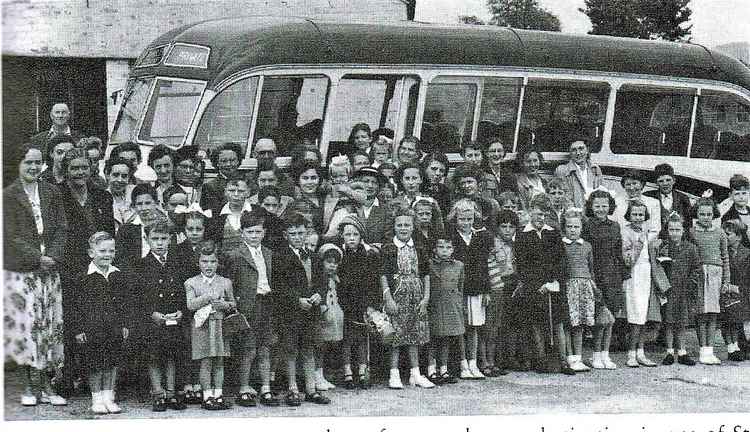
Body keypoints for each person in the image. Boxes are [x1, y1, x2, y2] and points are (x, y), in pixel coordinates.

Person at [3, 143, 68, 407]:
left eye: (37, 162)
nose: (33, 167)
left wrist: (52, 256)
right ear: (19, 164)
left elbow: (62, 227)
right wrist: (36, 258)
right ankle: (30, 386)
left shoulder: (51, 192)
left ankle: (49, 385)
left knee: (51, 327)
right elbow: (10, 235)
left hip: (49, 271)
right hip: (24, 272)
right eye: (28, 162)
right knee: (28, 328)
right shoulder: (8, 196)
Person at [273, 213, 331, 405]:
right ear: (285, 235)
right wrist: (296, 300)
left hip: (310, 312)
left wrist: (318, 294)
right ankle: (292, 388)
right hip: (290, 312)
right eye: (293, 234)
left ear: (306, 233)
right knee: (290, 350)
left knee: (308, 349)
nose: (297, 237)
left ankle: (311, 389)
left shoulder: (313, 257)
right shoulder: (280, 258)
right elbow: (279, 286)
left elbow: (322, 281)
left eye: (300, 233)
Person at [224, 210, 279, 407]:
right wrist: (234, 307)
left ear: (264, 232)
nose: (254, 236)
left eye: (258, 232)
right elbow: (229, 283)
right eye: (250, 232)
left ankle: (265, 388)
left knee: (265, 348)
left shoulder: (269, 253)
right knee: (248, 350)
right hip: (248, 306)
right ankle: (244, 388)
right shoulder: (235, 255)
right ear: (242, 233)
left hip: (266, 303)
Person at [514, 194, 574, 375]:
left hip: (553, 285)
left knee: (557, 324)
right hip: (534, 287)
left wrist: (553, 281)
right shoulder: (523, 234)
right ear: (530, 211)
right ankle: (540, 360)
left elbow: (561, 260)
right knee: (537, 324)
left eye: (544, 214)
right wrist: (536, 284)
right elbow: (523, 265)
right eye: (538, 213)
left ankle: (564, 361)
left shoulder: (553, 233)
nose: (541, 218)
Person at [72, 232, 129, 414]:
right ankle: (96, 399)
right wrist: (79, 329)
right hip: (92, 329)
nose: (107, 254)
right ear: (91, 252)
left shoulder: (118, 275)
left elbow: (124, 303)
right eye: (102, 250)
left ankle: (108, 397)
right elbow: (75, 306)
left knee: (112, 362)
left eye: (111, 251)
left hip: (114, 327)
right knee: (95, 363)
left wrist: (125, 324)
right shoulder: (83, 277)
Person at [136, 221, 188, 411]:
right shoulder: (141, 265)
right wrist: (151, 313)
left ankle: (171, 393)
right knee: (154, 356)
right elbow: (138, 296)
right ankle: (158, 393)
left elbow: (184, 291)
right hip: (154, 319)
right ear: (147, 239)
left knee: (172, 355)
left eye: (163, 239)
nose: (159, 243)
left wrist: (182, 311)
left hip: (174, 316)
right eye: (155, 239)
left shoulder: (177, 263)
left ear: (170, 240)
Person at [380, 208, 434, 389]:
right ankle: (393, 374)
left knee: (415, 334)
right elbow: (383, 274)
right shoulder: (388, 247)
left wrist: (425, 298)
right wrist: (388, 298)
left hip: (416, 294)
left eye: (407, 225)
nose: (403, 228)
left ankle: (415, 374)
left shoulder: (419, 247)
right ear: (394, 227)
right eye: (400, 225)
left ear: (413, 226)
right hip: (397, 294)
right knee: (396, 335)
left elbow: (426, 274)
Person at [185, 241, 234, 410]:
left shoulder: (225, 282)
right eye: (205, 261)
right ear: (198, 262)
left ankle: (218, 395)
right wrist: (207, 297)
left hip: (220, 325)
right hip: (202, 326)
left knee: (219, 361)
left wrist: (225, 305)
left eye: (212, 261)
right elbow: (190, 305)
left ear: (218, 262)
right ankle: (207, 396)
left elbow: (233, 303)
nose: (209, 265)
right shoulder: (191, 282)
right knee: (205, 362)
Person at [449, 199, 493, 379]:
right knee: (460, 328)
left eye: (469, 219)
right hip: (458, 290)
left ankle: (473, 363)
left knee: (474, 327)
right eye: (462, 219)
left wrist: (487, 291)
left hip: (477, 289)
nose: (466, 223)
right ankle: (462, 364)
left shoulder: (480, 237)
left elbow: (484, 265)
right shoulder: (451, 238)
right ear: (455, 219)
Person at [336, 215, 381, 389]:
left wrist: (371, 305)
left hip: (363, 301)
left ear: (361, 236)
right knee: (347, 339)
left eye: (355, 234)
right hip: (345, 302)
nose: (352, 238)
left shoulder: (369, 255)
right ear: (343, 237)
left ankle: (362, 370)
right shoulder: (340, 255)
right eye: (348, 235)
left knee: (363, 337)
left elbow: (373, 281)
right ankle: (348, 372)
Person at [582, 188, 624, 369]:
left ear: (610, 206)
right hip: (596, 274)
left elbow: (618, 252)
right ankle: (595, 355)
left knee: (611, 317)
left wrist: (622, 275)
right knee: (599, 317)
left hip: (612, 275)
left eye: (604, 205)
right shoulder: (587, 225)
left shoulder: (615, 226)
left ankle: (606, 354)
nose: (601, 209)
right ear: (591, 207)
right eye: (597, 205)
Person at [690, 195, 731, 365]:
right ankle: (702, 350)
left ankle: (710, 350)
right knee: (701, 313)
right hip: (699, 274)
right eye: (702, 214)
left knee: (713, 313)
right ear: (696, 214)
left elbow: (725, 257)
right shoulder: (691, 232)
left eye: (708, 214)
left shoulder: (720, 232)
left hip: (716, 274)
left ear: (713, 214)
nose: (705, 217)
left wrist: (726, 280)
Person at [621, 200, 661, 368]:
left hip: (646, 275)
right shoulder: (626, 232)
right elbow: (628, 260)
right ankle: (631, 354)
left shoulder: (646, 232)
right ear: (629, 215)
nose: (638, 217)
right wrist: (638, 245)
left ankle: (641, 352)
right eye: (634, 214)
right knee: (635, 315)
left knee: (644, 315)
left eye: (641, 215)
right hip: (634, 276)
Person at [658, 213, 701, 366]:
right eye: (671, 229)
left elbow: (697, 268)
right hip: (668, 289)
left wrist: (690, 283)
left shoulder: (691, 248)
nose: (674, 233)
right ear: (667, 230)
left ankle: (682, 351)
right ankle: (669, 351)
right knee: (669, 321)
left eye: (677, 229)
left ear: (683, 231)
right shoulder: (663, 248)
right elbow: (658, 268)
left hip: (684, 290)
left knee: (681, 322)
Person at [560, 208, 598, 372]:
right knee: (570, 323)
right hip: (569, 287)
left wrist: (593, 285)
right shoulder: (562, 245)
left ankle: (578, 357)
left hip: (585, 287)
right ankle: (570, 357)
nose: (573, 230)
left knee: (581, 324)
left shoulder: (587, 246)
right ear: (564, 228)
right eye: (569, 227)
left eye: (576, 227)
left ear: (581, 228)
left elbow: (591, 268)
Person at [426, 236, 465, 385]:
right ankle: (431, 368)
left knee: (446, 338)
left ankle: (443, 368)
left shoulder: (459, 265)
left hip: (451, 305)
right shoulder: (430, 264)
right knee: (433, 338)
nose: (445, 251)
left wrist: (459, 302)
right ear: (435, 249)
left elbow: (460, 286)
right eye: (441, 247)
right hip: (435, 305)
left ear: (453, 250)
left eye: (448, 248)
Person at [486, 209, 518, 375]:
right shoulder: (493, 244)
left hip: (512, 284)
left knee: (508, 324)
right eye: (503, 226)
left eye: (511, 226)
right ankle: (490, 361)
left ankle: (504, 359)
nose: (507, 230)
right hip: (497, 285)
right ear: (497, 227)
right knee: (493, 325)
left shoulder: (515, 244)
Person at [313, 243, 345, 391]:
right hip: (323, 314)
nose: (332, 266)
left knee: (327, 346)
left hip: (334, 314)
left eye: (335, 263)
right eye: (329, 262)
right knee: (319, 345)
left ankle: (322, 375)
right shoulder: (319, 278)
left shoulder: (335, 278)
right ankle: (316, 376)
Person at [113, 184, 163, 270]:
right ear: (134, 206)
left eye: (147, 203)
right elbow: (120, 260)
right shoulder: (126, 230)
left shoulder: (164, 227)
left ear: (156, 203)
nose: (143, 208)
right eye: (139, 204)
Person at [722, 219, 750, 360]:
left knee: (738, 318)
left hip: (743, 291)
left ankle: (741, 345)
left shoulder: (747, 254)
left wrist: (738, 288)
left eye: (729, 234)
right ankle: (731, 347)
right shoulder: (722, 252)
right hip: (726, 291)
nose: (725, 237)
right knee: (728, 319)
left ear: (738, 236)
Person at [207, 174, 253, 255]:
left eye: (241, 191)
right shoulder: (215, 214)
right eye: (231, 190)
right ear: (225, 192)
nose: (236, 194)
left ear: (248, 192)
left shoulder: (257, 212)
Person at [643, 164, 693, 235]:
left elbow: (688, 224)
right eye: (661, 181)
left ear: (674, 181)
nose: (665, 183)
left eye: (668, 180)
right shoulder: (648, 196)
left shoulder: (683, 198)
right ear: (656, 182)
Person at [554, 139, 603, 208]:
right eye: (574, 150)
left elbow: (599, 195)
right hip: (573, 215)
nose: (578, 153)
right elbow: (564, 198)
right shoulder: (563, 170)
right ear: (570, 153)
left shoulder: (595, 169)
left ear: (587, 150)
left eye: (581, 149)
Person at [451, 163, 500, 233]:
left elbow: (496, 229)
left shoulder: (492, 204)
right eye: (463, 183)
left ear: (479, 183)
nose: (466, 186)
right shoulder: (456, 204)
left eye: (469, 182)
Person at [613, 169, 661, 237]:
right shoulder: (616, 202)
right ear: (624, 186)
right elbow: (613, 227)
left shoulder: (653, 203)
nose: (632, 188)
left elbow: (655, 230)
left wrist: (641, 243)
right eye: (628, 184)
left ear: (641, 184)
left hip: (645, 244)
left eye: (635, 183)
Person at [352, 167, 390, 247]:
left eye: (374, 182)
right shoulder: (350, 207)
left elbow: (388, 239)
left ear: (379, 186)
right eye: (366, 181)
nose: (370, 186)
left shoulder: (386, 210)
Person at [201, 142, 243, 214]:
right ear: (217, 163)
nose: (228, 164)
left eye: (232, 160)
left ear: (238, 161)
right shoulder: (210, 187)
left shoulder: (248, 181)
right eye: (224, 161)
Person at [481, 137, 518, 202]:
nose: (496, 154)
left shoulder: (509, 174)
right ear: (486, 153)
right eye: (492, 151)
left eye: (499, 151)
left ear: (504, 153)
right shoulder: (482, 171)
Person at [105, 156, 136, 233]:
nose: (120, 180)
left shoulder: (136, 193)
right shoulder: (101, 197)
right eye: (115, 175)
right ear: (107, 175)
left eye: (124, 176)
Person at [420, 152, 451, 220]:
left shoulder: (445, 191)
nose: (437, 173)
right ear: (425, 169)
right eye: (434, 169)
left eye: (441, 171)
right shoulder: (418, 188)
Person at [722, 174, 750, 240]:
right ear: (731, 195)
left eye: (744, 193)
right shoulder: (728, 217)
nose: (741, 197)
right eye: (737, 194)